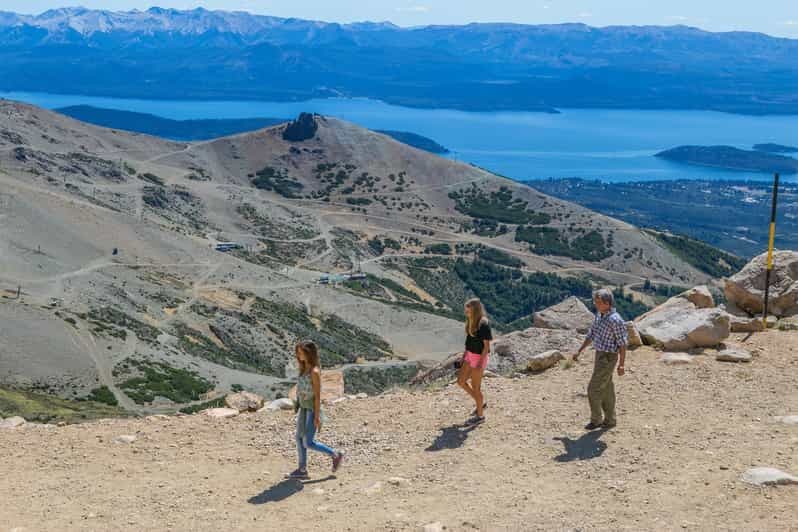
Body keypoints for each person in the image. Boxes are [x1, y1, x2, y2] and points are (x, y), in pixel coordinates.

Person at [286, 340, 344, 479]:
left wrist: (317, 416)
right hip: (303, 408)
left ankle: (335, 454)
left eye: (301, 353)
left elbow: (317, 396)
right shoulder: (303, 368)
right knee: (299, 438)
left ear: (308, 353)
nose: (299, 356)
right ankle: (302, 469)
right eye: (298, 353)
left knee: (308, 442)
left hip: (312, 410)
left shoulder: (314, 371)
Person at [573, 288, 628, 430]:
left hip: (609, 357)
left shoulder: (616, 320)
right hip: (600, 355)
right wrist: (579, 351)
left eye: (598, 302)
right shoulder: (600, 315)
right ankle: (610, 420)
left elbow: (622, 344)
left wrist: (621, 365)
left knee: (593, 389)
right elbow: (591, 334)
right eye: (595, 302)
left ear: (607, 303)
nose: (595, 304)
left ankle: (596, 419)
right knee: (606, 389)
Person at [457, 298, 492, 425]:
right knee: (461, 381)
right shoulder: (471, 320)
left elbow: (487, 346)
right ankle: (480, 403)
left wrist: (479, 363)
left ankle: (480, 416)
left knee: (476, 388)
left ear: (475, 310)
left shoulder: (483, 324)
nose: (466, 313)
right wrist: (464, 356)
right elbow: (469, 342)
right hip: (469, 355)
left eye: (469, 311)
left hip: (478, 357)